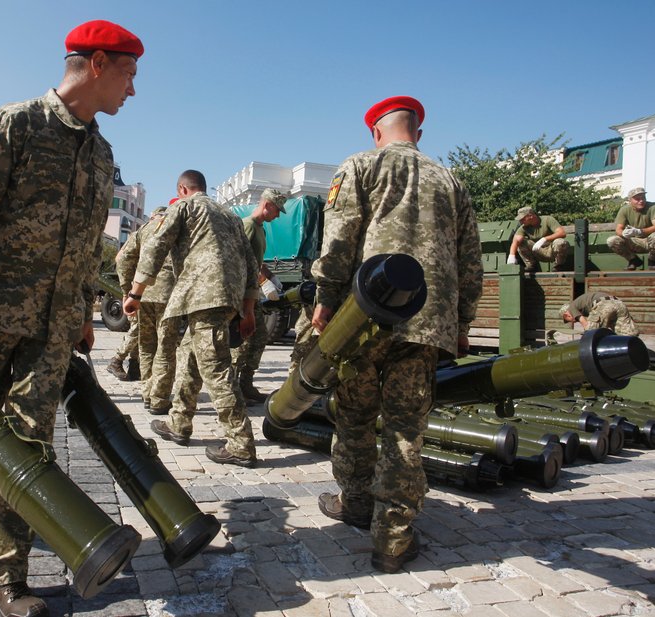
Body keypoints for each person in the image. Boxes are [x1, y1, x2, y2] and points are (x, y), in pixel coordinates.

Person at [0, 19, 142, 617]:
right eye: (128, 73)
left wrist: (80, 314)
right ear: (96, 64)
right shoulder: (16, 124)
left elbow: (85, 246)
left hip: (50, 330)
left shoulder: (101, 153)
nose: (133, 89)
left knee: (27, 443)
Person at [311, 96, 482, 573]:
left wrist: (325, 297)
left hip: (365, 317)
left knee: (356, 415)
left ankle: (357, 503)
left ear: (376, 132)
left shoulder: (361, 166)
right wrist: (462, 323)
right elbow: (471, 261)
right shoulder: (450, 180)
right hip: (427, 322)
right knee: (406, 430)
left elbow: (339, 236)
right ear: (418, 134)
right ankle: (393, 539)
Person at [123, 170, 260, 467]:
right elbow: (251, 266)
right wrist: (248, 310)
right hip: (226, 298)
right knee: (190, 355)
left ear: (182, 189)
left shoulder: (185, 207)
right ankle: (179, 423)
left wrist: (135, 293)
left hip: (203, 295)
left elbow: (155, 247)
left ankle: (241, 444)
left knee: (217, 369)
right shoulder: (231, 216)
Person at [115, 202, 178, 412]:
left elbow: (123, 258)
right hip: (170, 294)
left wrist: (128, 291)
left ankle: (147, 394)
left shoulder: (146, 228)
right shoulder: (179, 224)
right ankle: (159, 399)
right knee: (166, 348)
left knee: (146, 345)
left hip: (143, 293)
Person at [231, 188, 286, 403]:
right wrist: (260, 284)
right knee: (242, 342)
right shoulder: (248, 226)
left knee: (259, 337)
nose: (278, 215)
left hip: (252, 294)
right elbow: (241, 261)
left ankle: (246, 383)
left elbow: (257, 261)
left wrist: (270, 277)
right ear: (268, 205)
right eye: (277, 210)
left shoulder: (260, 229)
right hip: (243, 294)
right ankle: (233, 389)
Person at [606, 187, 655, 271]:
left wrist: (640, 231)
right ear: (630, 200)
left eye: (643, 198)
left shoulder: (653, 207)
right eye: (637, 199)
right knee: (612, 240)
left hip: (650, 241)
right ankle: (633, 260)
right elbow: (619, 229)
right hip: (634, 241)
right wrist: (623, 233)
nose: (641, 201)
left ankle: (652, 260)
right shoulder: (624, 210)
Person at [506, 207, 570, 272]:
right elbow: (516, 240)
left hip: (552, 250)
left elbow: (562, 233)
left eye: (523, 219)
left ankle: (558, 266)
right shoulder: (524, 227)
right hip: (537, 252)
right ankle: (531, 265)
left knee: (560, 242)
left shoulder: (548, 220)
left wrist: (544, 239)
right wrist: (511, 255)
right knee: (521, 242)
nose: (520, 221)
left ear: (531, 216)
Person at [560, 292, 639, 337]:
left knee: (591, 334)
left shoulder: (571, 307)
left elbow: (584, 323)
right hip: (618, 303)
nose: (574, 322)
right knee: (629, 335)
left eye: (568, 321)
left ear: (566, 315)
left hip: (604, 304)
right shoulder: (582, 306)